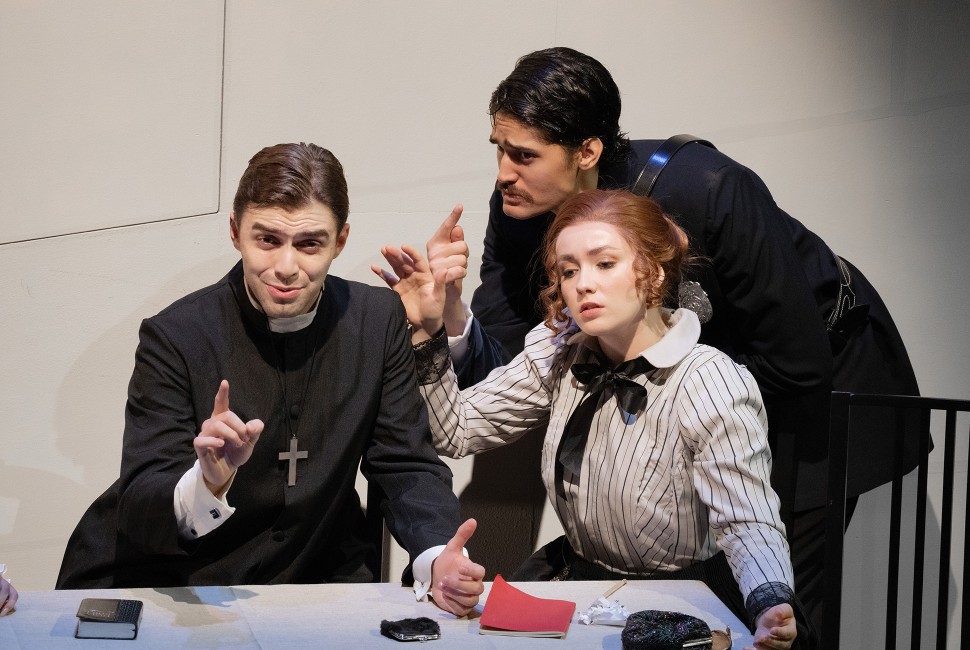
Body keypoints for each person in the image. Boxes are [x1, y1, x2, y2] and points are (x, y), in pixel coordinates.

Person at [375, 46, 921, 630]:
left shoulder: (709, 190)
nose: (504, 172)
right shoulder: (528, 221)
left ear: (586, 151)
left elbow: (797, 361)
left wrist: (664, 380)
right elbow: (500, 367)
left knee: (767, 598)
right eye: (566, 270)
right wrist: (440, 324)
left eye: (524, 155)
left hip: (817, 385)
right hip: (665, 415)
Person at [56, 142, 484, 617]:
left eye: (309, 244)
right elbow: (141, 500)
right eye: (267, 240)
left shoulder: (376, 320)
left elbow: (406, 464)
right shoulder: (176, 335)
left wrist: (436, 556)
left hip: (316, 578)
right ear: (236, 232)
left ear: (339, 241)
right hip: (172, 579)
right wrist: (207, 481)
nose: (285, 267)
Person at [390, 188, 811, 649]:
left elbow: (746, 520)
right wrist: (428, 332)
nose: (582, 283)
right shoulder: (560, 351)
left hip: (685, 596)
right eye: (569, 270)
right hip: (584, 587)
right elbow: (457, 431)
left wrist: (769, 600)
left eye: (604, 264)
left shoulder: (709, 381)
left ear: (653, 271)